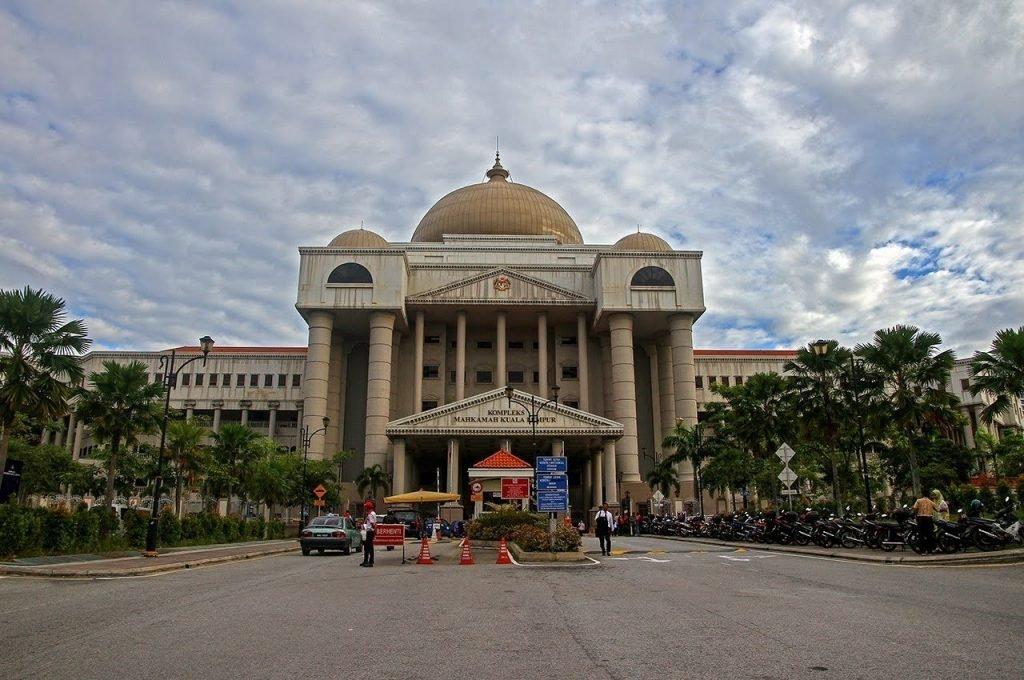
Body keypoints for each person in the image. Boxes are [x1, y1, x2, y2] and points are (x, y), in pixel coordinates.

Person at [360, 499, 378, 567]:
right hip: (370, 531)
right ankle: (366, 561)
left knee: (368, 547)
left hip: (369, 532)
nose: (365, 508)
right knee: (367, 547)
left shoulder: (370, 515)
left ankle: (370, 562)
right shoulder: (373, 513)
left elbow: (373, 524)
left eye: (365, 507)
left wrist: (374, 531)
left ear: (368, 508)